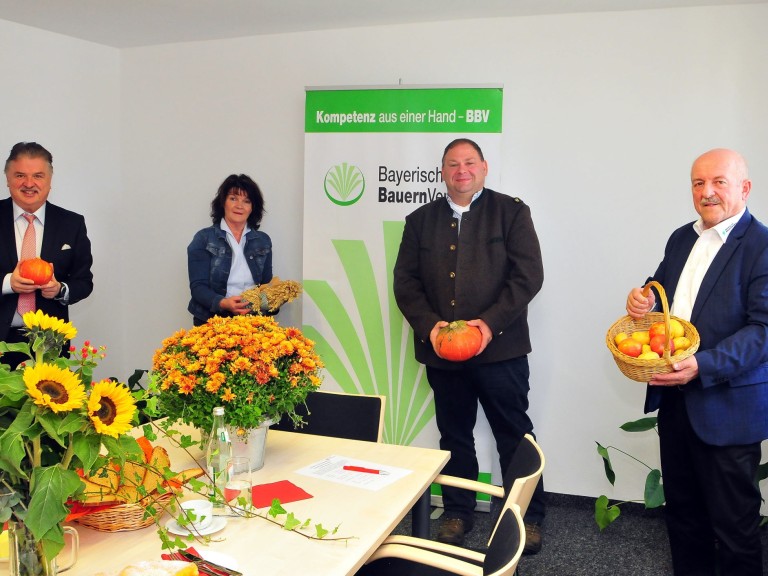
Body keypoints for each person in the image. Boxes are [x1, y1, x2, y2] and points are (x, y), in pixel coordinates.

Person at [393, 138, 545, 552]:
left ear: (484, 167)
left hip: (502, 350)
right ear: (442, 172)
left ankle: (526, 515)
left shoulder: (511, 212)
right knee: (454, 434)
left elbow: (528, 276)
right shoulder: (419, 220)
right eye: (453, 164)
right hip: (443, 353)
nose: (462, 170)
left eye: (469, 162)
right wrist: (433, 329)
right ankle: (458, 510)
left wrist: (487, 326)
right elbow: (405, 285)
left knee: (513, 434)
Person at [626, 148, 768, 576]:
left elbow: (762, 331)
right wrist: (643, 297)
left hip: (727, 408)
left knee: (735, 527)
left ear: (744, 188)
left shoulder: (761, 246)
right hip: (675, 401)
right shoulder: (680, 238)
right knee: (684, 517)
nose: (707, 192)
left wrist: (702, 365)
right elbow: (661, 290)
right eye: (698, 183)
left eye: (718, 182)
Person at [0, 142, 93, 368]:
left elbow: (84, 282)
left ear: (49, 181)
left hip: (50, 343)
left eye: (38, 176)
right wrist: (7, 283)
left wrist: (60, 290)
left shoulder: (72, 223)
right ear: (8, 178)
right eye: (20, 175)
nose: (29, 183)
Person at [187, 173, 273, 326]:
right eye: (233, 198)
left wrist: (270, 302)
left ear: (253, 208)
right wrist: (224, 303)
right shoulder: (203, 238)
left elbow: (266, 284)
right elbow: (198, 287)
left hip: (253, 321)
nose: (239, 206)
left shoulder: (263, 240)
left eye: (246, 201)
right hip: (212, 321)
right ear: (223, 203)